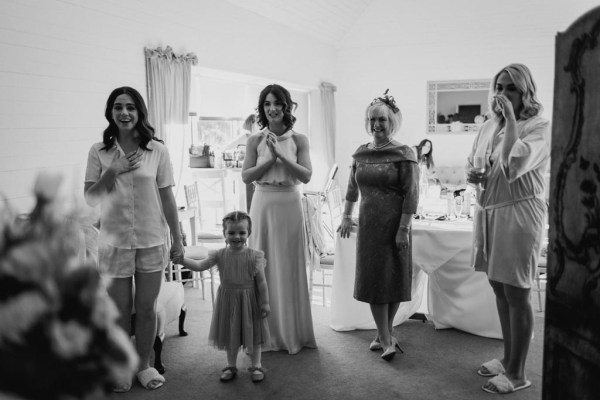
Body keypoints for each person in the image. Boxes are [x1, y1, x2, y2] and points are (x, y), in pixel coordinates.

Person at [84, 86, 184, 391]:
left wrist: (177, 240)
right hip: (114, 243)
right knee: (118, 312)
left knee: (146, 308)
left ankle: (144, 366)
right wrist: (112, 170)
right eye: (117, 107)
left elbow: (168, 199)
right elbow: (90, 198)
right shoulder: (98, 151)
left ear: (139, 112)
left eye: (130, 107)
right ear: (110, 113)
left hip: (152, 240)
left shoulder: (158, 151)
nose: (124, 113)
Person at [467, 64, 549, 394]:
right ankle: (506, 357)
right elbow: (475, 159)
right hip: (488, 211)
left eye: (510, 88)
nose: (502, 94)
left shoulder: (538, 126)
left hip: (519, 213)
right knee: (499, 287)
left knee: (517, 291)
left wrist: (513, 119)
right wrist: (473, 174)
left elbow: (514, 164)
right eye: (498, 87)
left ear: (525, 91)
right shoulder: (488, 124)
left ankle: (518, 372)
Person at [338, 89, 419, 361]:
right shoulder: (360, 153)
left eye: (382, 120)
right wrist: (346, 216)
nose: (376, 125)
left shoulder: (404, 153)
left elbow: (412, 193)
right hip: (370, 226)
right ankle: (386, 338)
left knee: (394, 279)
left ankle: (381, 334)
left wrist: (404, 229)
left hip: (397, 224)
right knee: (374, 280)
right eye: (372, 119)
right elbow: (351, 189)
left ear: (392, 122)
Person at [241, 83, 317, 354]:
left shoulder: (299, 140)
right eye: (266, 104)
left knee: (289, 265)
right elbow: (247, 176)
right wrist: (269, 160)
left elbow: (306, 176)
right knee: (262, 266)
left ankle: (293, 333)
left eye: (277, 103)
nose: (272, 109)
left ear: (287, 106)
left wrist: (283, 156)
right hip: (262, 202)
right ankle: (264, 335)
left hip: (289, 203)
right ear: (262, 108)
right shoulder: (254, 140)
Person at [177, 211, 270, 382]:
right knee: (231, 334)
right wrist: (182, 261)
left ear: (248, 233)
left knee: (255, 335)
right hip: (228, 301)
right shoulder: (219, 254)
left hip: (250, 301)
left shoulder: (255, 256)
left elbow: (262, 282)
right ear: (224, 234)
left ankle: (256, 365)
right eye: (231, 233)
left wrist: (265, 303)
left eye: (242, 232)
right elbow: (198, 266)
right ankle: (231, 365)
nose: (237, 237)